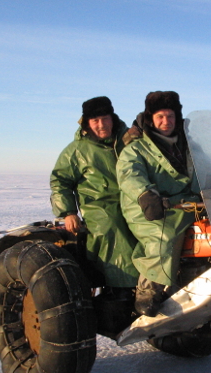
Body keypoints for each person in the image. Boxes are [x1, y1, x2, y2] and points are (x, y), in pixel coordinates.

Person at [116, 91, 201, 317]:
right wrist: (145, 194)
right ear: (150, 118)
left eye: (170, 116)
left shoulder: (188, 145)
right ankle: (148, 289)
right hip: (149, 206)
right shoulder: (137, 147)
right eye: (160, 116)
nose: (166, 122)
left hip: (186, 203)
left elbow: (208, 168)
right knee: (163, 235)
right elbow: (129, 173)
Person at [50, 96, 139, 294]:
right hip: (100, 207)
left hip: (134, 201)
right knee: (113, 230)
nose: (101, 125)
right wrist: (68, 212)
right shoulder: (77, 150)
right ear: (87, 123)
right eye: (95, 121)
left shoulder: (128, 140)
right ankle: (123, 291)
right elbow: (60, 180)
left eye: (105, 119)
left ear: (112, 118)